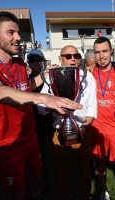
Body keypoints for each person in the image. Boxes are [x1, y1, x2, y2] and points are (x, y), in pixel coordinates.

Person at [0, 11, 82, 200]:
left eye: (18, 32)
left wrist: (46, 75)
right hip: (8, 144)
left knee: (35, 181)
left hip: (30, 138)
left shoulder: (20, 64)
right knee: (16, 192)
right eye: (11, 33)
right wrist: (43, 98)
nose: (18, 37)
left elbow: (24, 88)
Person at [38, 45, 97, 200]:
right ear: (60, 58)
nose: (73, 59)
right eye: (68, 56)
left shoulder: (87, 77)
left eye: (76, 56)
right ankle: (64, 196)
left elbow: (92, 107)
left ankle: (85, 196)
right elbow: (40, 106)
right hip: (59, 132)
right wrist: (54, 108)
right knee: (62, 171)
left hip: (83, 130)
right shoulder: (52, 76)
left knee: (84, 170)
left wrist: (84, 128)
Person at [91, 36, 115, 200]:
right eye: (97, 52)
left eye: (105, 51)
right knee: (99, 164)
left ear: (112, 52)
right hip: (97, 128)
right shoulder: (90, 72)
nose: (101, 56)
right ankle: (104, 192)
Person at [27, 49, 55, 198]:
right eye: (32, 60)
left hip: (51, 121)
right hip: (35, 124)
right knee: (40, 156)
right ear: (29, 63)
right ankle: (44, 183)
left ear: (43, 61)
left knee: (55, 154)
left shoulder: (51, 76)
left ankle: (56, 180)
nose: (36, 62)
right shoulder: (27, 81)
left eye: (39, 59)